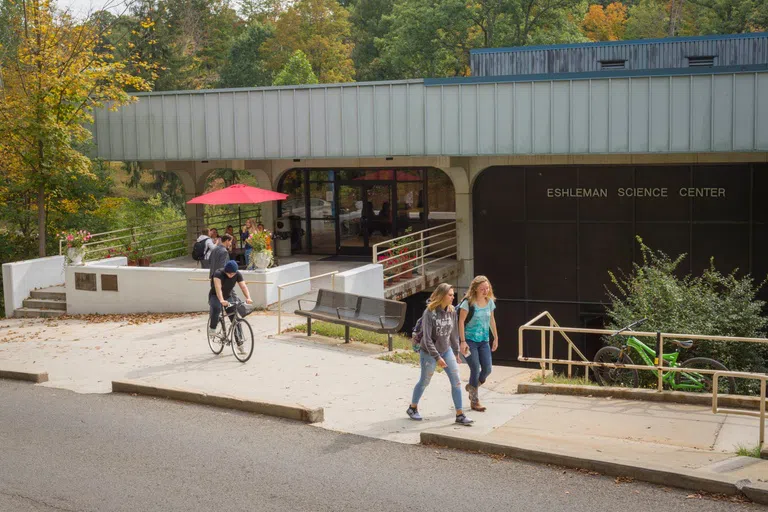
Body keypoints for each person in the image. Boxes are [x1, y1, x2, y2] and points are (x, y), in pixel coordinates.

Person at [407, 283, 474, 426]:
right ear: (442, 296)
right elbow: (427, 339)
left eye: (453, 294)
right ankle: (412, 407)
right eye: (450, 295)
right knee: (425, 381)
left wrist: (456, 353)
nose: (453, 297)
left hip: (446, 350)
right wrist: (437, 358)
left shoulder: (451, 311)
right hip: (429, 353)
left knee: (456, 381)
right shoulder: (429, 312)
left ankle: (460, 414)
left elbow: (453, 334)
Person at [459, 276, 499, 412]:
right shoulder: (468, 303)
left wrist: (496, 337)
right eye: (482, 289)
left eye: (487, 288)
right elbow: (461, 322)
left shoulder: (489, 302)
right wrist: (463, 341)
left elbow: (491, 320)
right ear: (475, 289)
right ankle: (474, 401)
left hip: (484, 341)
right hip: (470, 341)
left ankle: (472, 387)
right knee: (475, 368)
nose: (485, 291)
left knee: (487, 369)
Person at [208, 261, 253, 354]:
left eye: (233, 273)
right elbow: (218, 288)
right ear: (225, 271)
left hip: (228, 296)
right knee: (216, 308)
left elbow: (243, 286)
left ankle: (240, 344)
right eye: (229, 273)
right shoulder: (218, 274)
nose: (231, 275)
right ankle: (212, 328)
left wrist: (248, 297)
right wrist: (221, 300)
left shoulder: (237, 274)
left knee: (235, 319)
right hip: (215, 296)